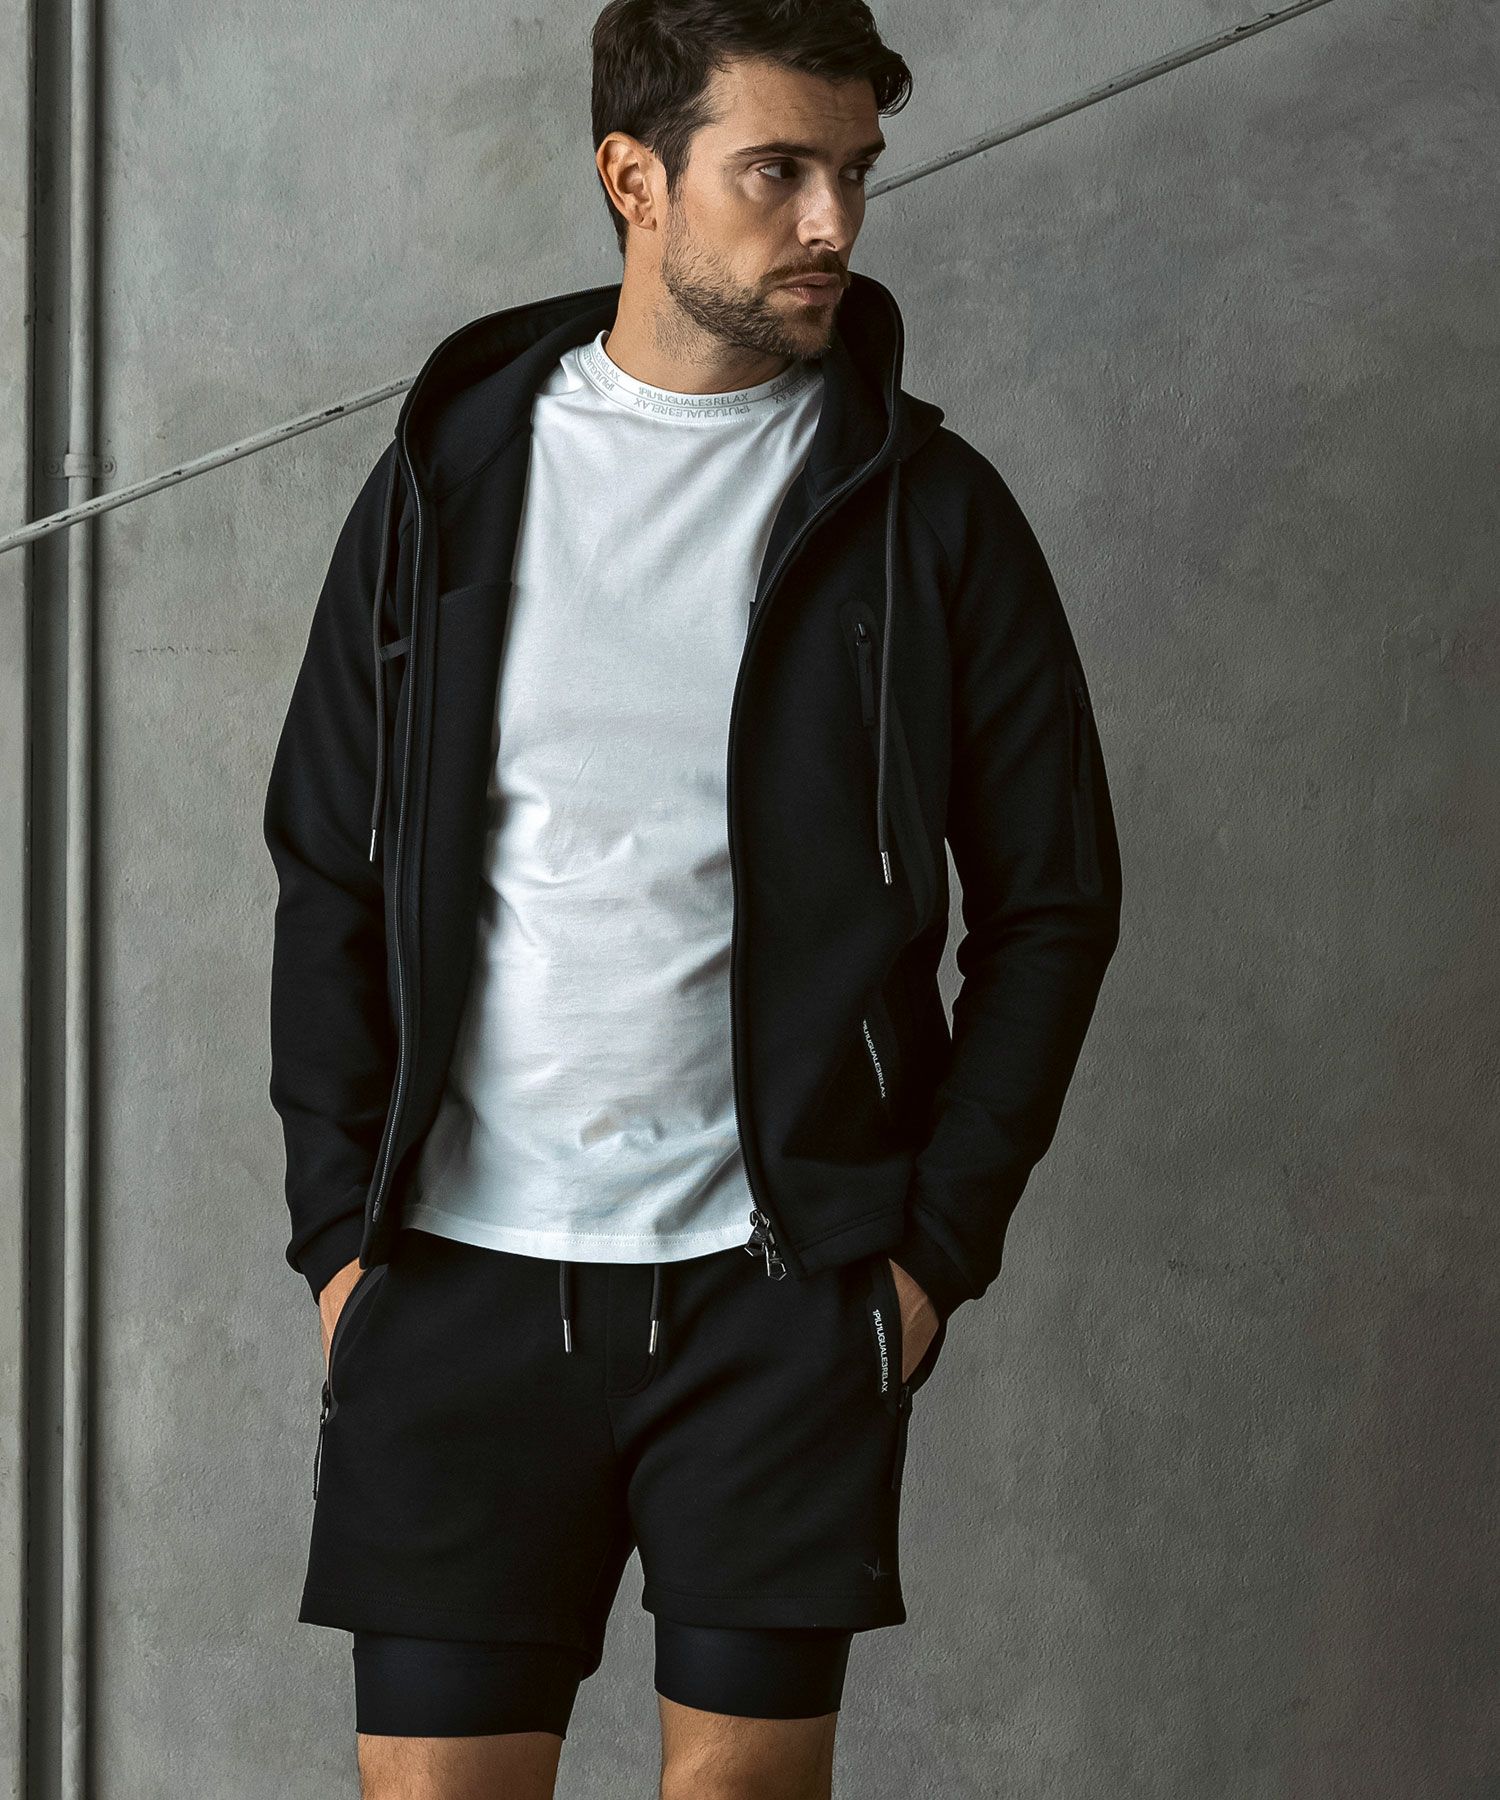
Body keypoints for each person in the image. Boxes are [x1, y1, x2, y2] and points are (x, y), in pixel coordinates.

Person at [261, 3, 1122, 1794]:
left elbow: (1053, 900)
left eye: (854, 173)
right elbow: (327, 859)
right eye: (777, 171)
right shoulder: (449, 482)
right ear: (633, 180)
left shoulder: (925, 512)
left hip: (778, 1290)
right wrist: (340, 1240)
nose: (833, 222)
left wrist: (927, 1258)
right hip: (456, 1286)